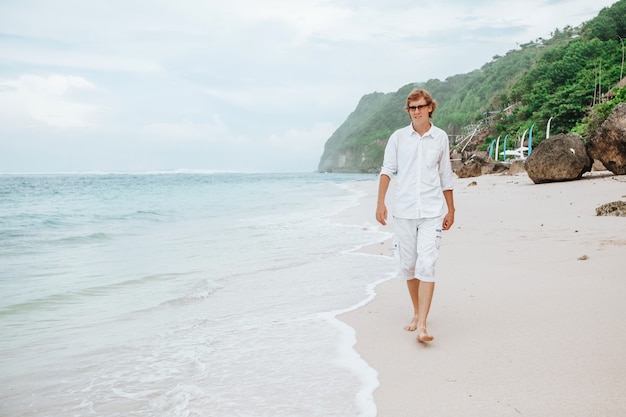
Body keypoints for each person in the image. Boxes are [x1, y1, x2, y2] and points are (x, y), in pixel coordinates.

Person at [375, 88, 455, 343]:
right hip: (404, 211)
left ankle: (422, 326)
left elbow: (445, 174)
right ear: (408, 110)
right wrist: (380, 202)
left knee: (427, 264)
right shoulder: (398, 138)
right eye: (412, 108)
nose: (417, 111)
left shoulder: (440, 137)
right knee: (408, 266)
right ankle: (417, 311)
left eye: (421, 106)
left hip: (432, 211)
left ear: (430, 107)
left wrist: (451, 209)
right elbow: (387, 170)